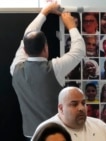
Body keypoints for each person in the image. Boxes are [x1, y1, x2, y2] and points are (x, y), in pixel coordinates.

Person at [10, 2, 85, 139]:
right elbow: (79, 50)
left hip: (31, 135)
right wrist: (71, 26)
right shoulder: (54, 69)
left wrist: (45, 11)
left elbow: (27, 36)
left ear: (25, 50)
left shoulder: (15, 68)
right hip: (55, 135)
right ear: (46, 47)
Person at [32, 87, 106, 141]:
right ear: (61, 108)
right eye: (74, 104)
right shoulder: (47, 130)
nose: (81, 108)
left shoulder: (99, 125)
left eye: (83, 103)